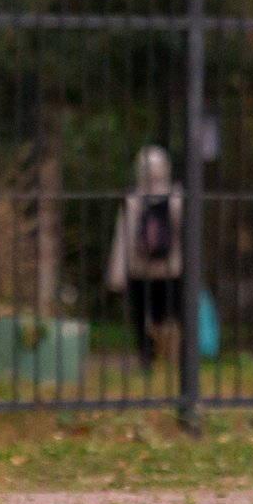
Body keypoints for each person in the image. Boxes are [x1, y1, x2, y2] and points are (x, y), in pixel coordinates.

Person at [105, 144, 185, 376]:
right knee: (160, 315)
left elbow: (124, 237)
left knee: (152, 317)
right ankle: (155, 357)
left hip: (148, 270)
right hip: (165, 269)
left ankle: (153, 357)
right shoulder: (174, 197)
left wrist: (117, 273)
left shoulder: (137, 198)